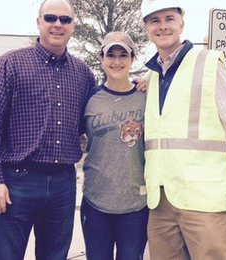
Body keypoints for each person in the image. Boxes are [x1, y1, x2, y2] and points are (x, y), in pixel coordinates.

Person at [140, 1, 226, 259]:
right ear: (146, 29)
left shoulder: (208, 64)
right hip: (161, 200)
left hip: (204, 200)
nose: (162, 26)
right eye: (154, 21)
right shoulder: (153, 77)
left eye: (169, 19)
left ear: (181, 24)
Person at [0, 0, 95, 259]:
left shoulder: (83, 73)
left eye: (65, 19)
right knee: (7, 255)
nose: (58, 24)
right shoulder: (11, 64)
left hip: (63, 182)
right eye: (50, 18)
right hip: (18, 181)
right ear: (39, 22)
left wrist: (138, 85)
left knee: (54, 256)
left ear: (73, 26)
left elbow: (93, 119)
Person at [80, 31, 148, 260]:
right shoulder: (90, 97)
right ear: (102, 59)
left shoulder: (147, 96)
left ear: (132, 59)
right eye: (111, 55)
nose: (116, 61)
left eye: (123, 55)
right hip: (96, 201)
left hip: (135, 205)